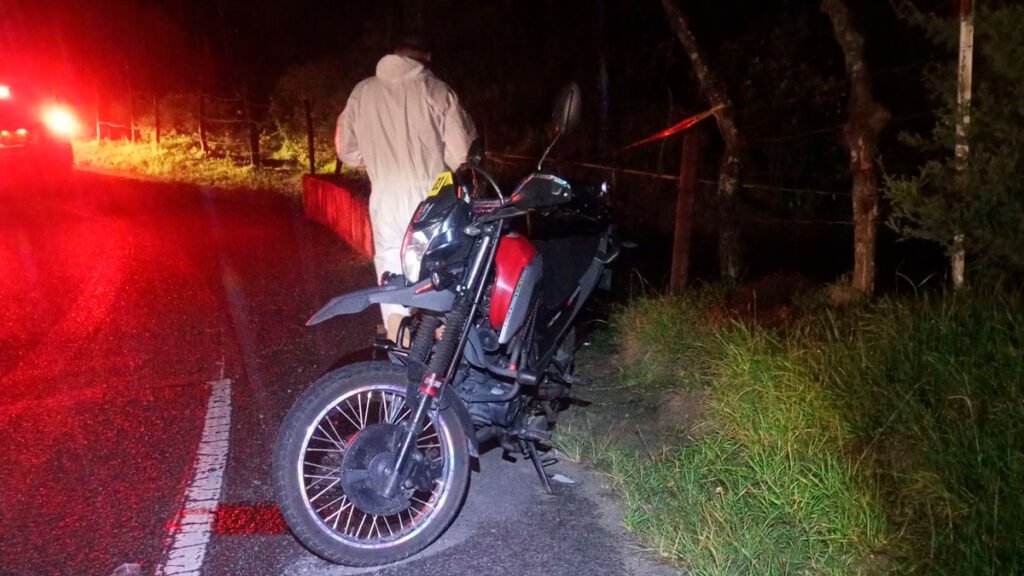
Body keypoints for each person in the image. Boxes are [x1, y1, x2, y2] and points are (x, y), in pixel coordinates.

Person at [335, 35, 477, 342]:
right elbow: (462, 153)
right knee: (437, 274)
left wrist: (377, 161)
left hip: (385, 197)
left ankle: (400, 347)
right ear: (426, 57)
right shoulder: (438, 91)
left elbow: (345, 149)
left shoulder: (362, 93)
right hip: (433, 198)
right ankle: (439, 348)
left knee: (391, 270)